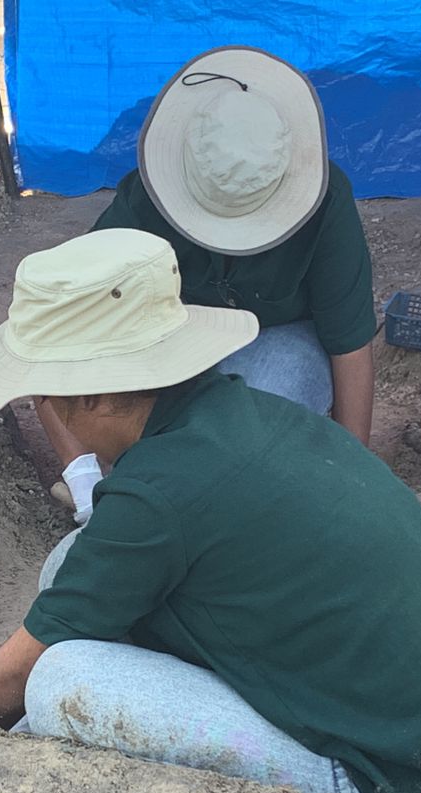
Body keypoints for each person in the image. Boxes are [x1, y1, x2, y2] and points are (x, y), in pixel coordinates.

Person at [0, 228, 421, 793]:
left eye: (47, 398)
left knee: (61, 681)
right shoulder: (237, 415)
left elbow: (18, 670)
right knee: (72, 561)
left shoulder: (159, 492)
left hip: (397, 779)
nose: (48, 411)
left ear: (93, 399)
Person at [38, 45, 380, 524]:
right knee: (87, 372)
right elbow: (54, 327)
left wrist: (354, 479)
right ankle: (139, 486)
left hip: (278, 345)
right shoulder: (146, 201)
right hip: (176, 343)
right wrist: (85, 483)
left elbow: (350, 348)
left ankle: (219, 490)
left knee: (263, 399)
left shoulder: (327, 202)